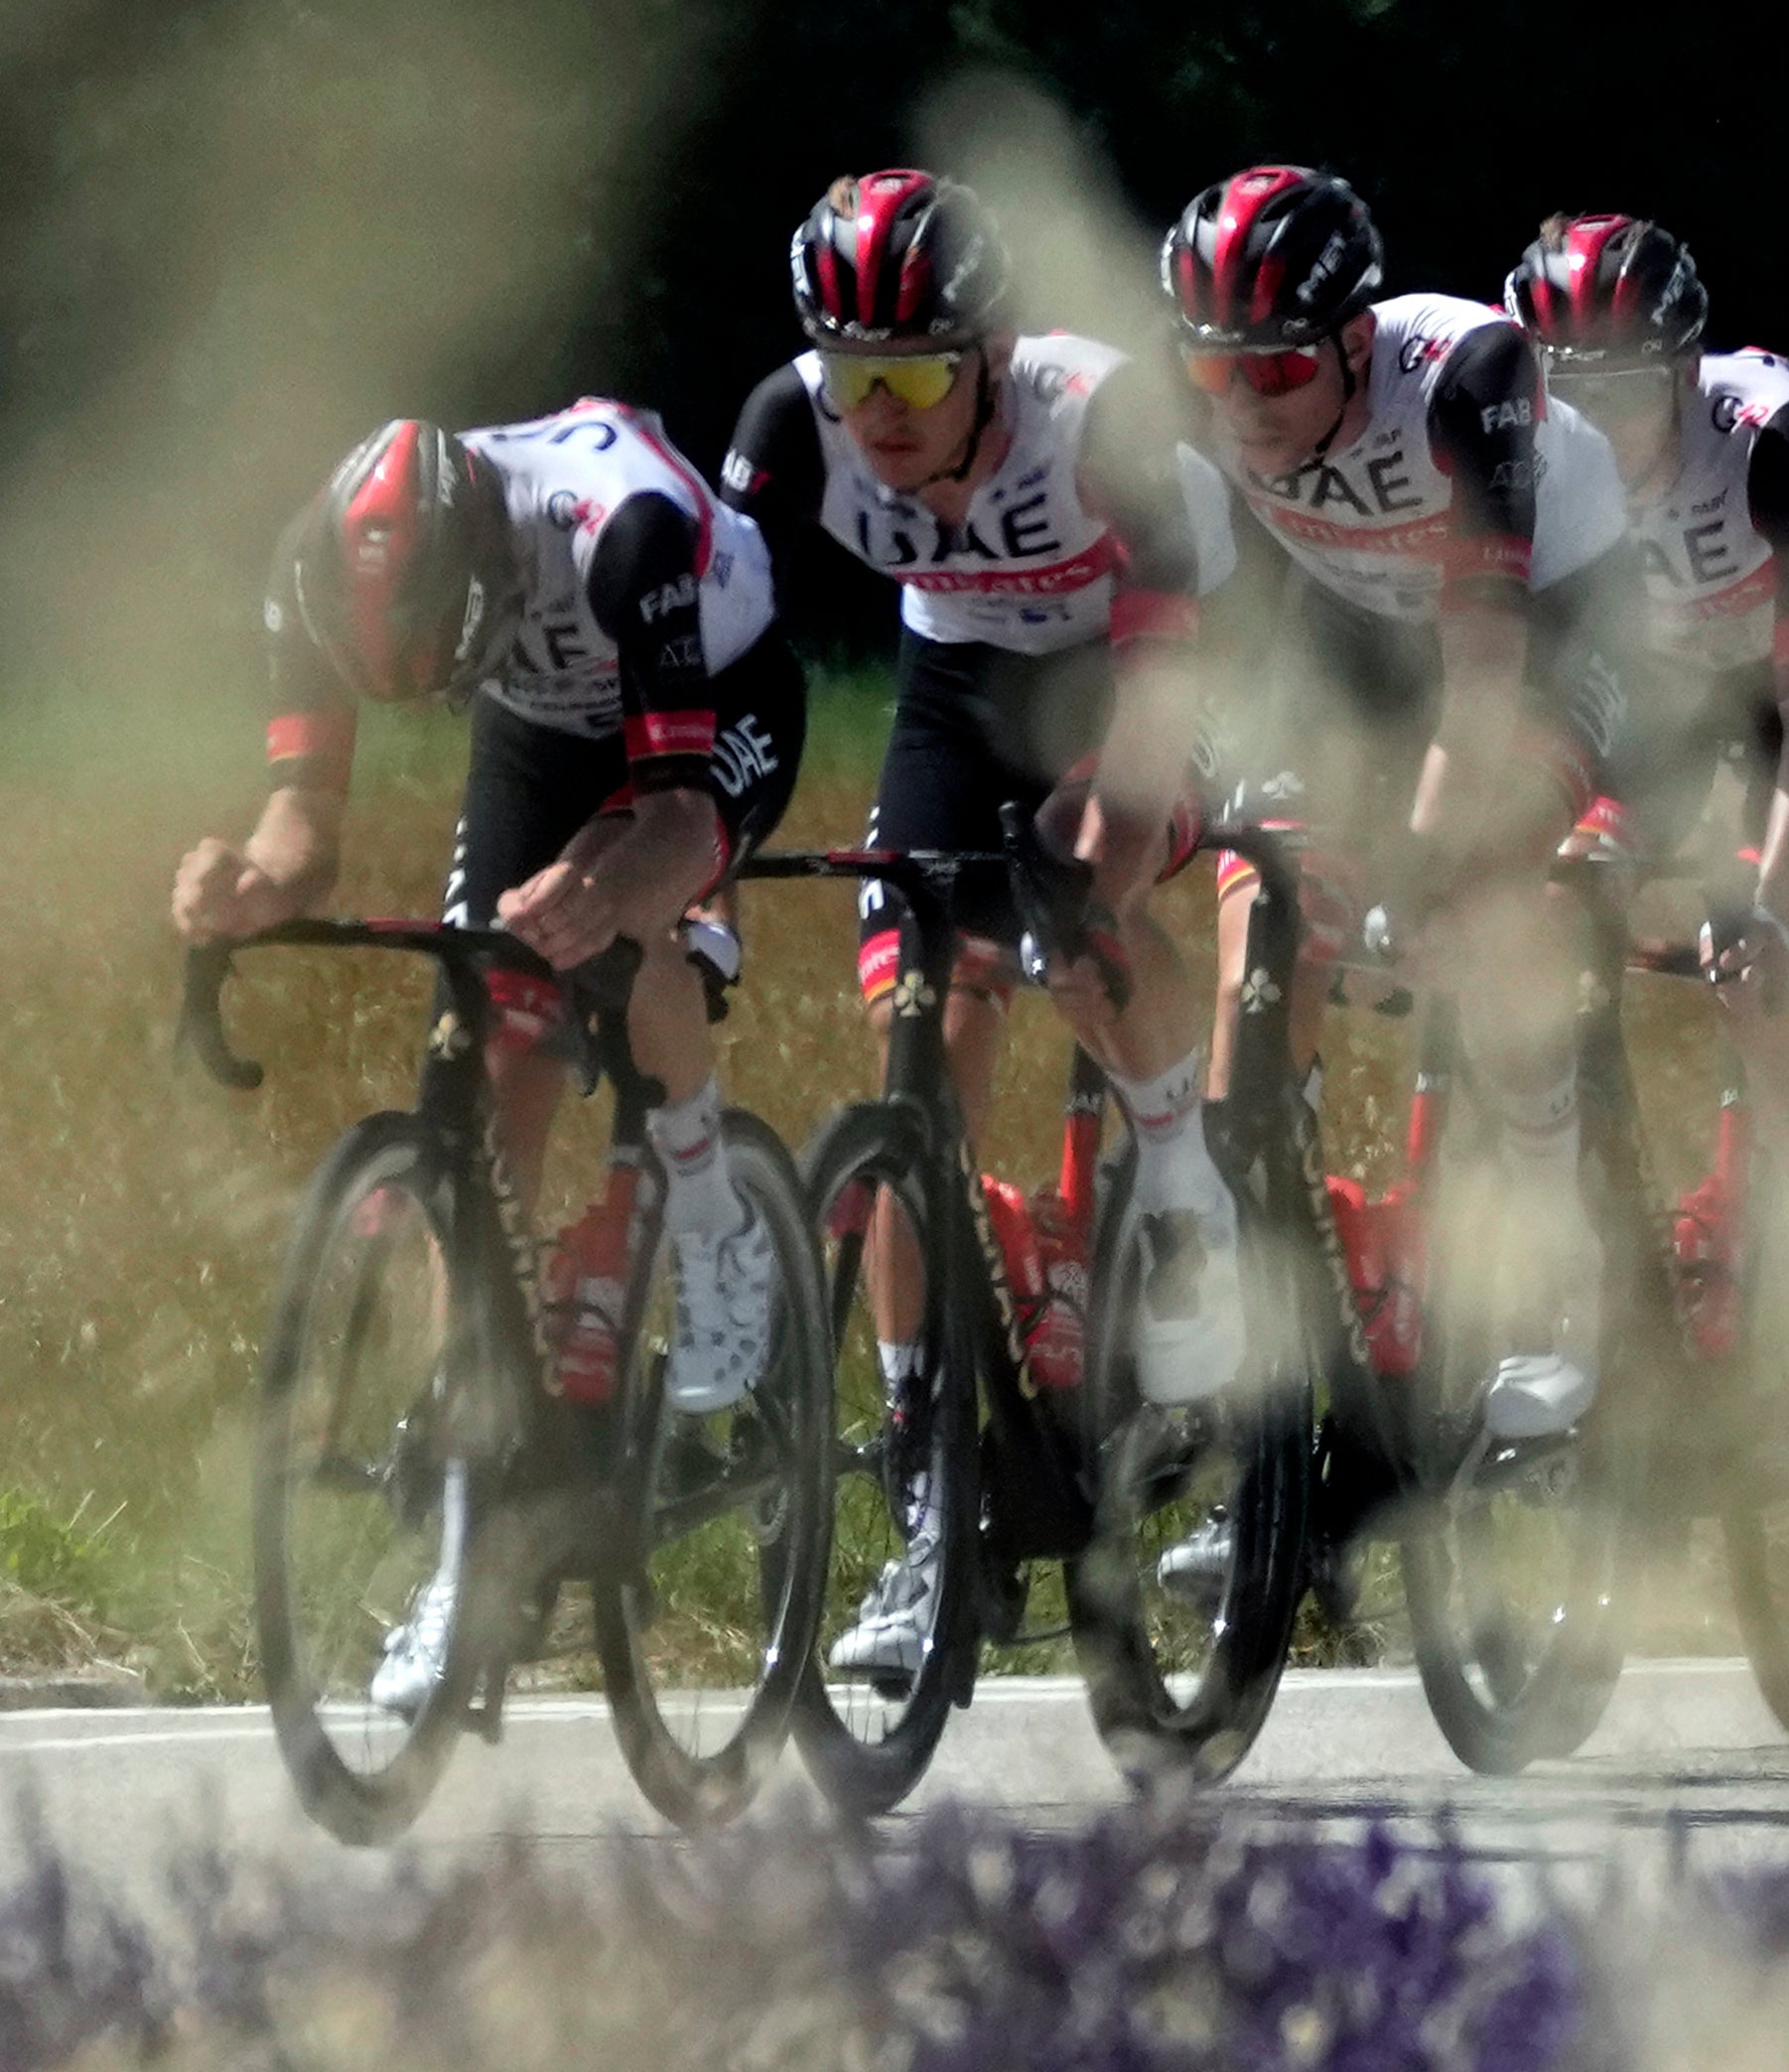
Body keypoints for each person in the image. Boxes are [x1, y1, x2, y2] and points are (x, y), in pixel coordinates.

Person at [168, 397, 805, 1715]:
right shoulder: (308, 573)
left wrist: (605, 890)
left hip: (711, 702)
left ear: (479, 581)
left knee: (621, 945)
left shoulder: (616, 532)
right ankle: (478, 1543)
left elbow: (679, 824)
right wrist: (241, 885)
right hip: (537, 724)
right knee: (490, 1039)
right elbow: (304, 831)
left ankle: (715, 1221)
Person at [731, 167, 1235, 1683]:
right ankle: (924, 1475)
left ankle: (1187, 1173)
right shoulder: (790, 426)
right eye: (848, 370)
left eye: (913, 373)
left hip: (1136, 668)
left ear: (991, 356)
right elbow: (715, 637)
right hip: (956, 685)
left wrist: (1114, 833)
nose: (874, 409)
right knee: (923, 1034)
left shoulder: (1102, 423)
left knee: (1084, 931)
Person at [1158, 163, 1631, 1450]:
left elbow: (1488, 669)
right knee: (1262, 891)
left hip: (1549, 627)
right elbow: (1201, 638)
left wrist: (1422, 858)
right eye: (1215, 372)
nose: (1242, 405)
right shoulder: (1208, 411)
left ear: (1355, 339)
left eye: (1274, 372)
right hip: (1356, 621)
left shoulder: (1464, 377)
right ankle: (1248, 1205)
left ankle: (1552, 1276)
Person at [1499, 209, 1789, 1492]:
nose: (1589, 420)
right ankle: (1587, 1276)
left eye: (1618, 390)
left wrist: (1771, 911)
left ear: (1683, 371)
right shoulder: (1519, 452)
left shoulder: (1768, 438)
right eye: (1561, 390)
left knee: (1763, 979)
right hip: (1670, 695)